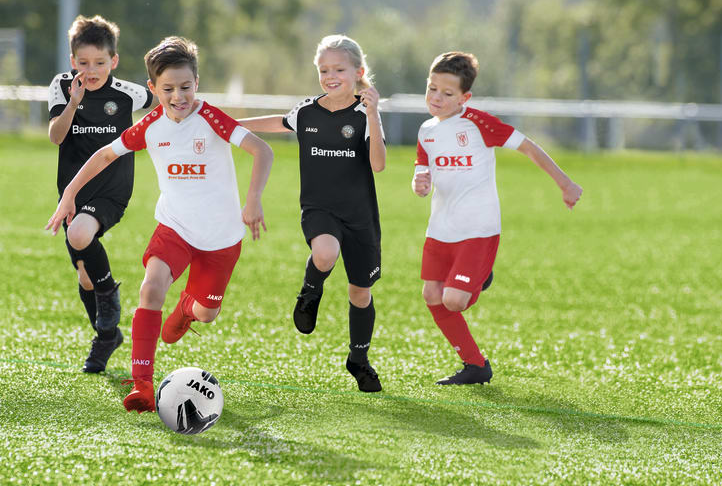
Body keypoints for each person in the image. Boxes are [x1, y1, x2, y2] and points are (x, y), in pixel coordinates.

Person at [46, 36, 274, 413]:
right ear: (153, 89)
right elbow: (105, 154)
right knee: (150, 290)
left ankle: (187, 309)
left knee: (207, 313)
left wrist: (253, 200)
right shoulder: (150, 126)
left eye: (186, 87)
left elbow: (261, 150)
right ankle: (143, 386)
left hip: (221, 238)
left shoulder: (213, 118)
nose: (178, 96)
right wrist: (70, 193)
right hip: (175, 228)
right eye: (168, 89)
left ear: (196, 83)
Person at [412, 51, 583, 385]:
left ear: (465, 97)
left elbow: (529, 147)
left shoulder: (479, 123)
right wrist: (420, 183)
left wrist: (566, 183)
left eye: (448, 94)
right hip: (441, 228)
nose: (437, 98)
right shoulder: (425, 131)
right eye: (432, 89)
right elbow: (423, 175)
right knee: (432, 295)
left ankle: (479, 276)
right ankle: (475, 366)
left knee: (454, 300)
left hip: (478, 227)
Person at [238, 34, 386, 393]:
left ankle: (358, 359)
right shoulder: (307, 110)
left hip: (360, 217)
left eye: (339, 69)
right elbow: (280, 122)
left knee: (360, 293)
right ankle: (310, 291)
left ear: (358, 72)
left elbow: (378, 165)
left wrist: (373, 114)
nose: (330, 76)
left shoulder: (364, 115)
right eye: (323, 69)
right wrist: (231, 125)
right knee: (324, 252)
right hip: (319, 209)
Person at [47, 15, 153, 374]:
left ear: (115, 61)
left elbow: (167, 97)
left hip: (112, 188)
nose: (91, 71)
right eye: (83, 62)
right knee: (85, 277)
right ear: (72, 59)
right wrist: (74, 102)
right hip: (72, 192)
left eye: (100, 63)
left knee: (79, 234)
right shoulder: (62, 87)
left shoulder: (130, 93)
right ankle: (107, 336)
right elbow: (56, 137)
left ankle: (109, 302)